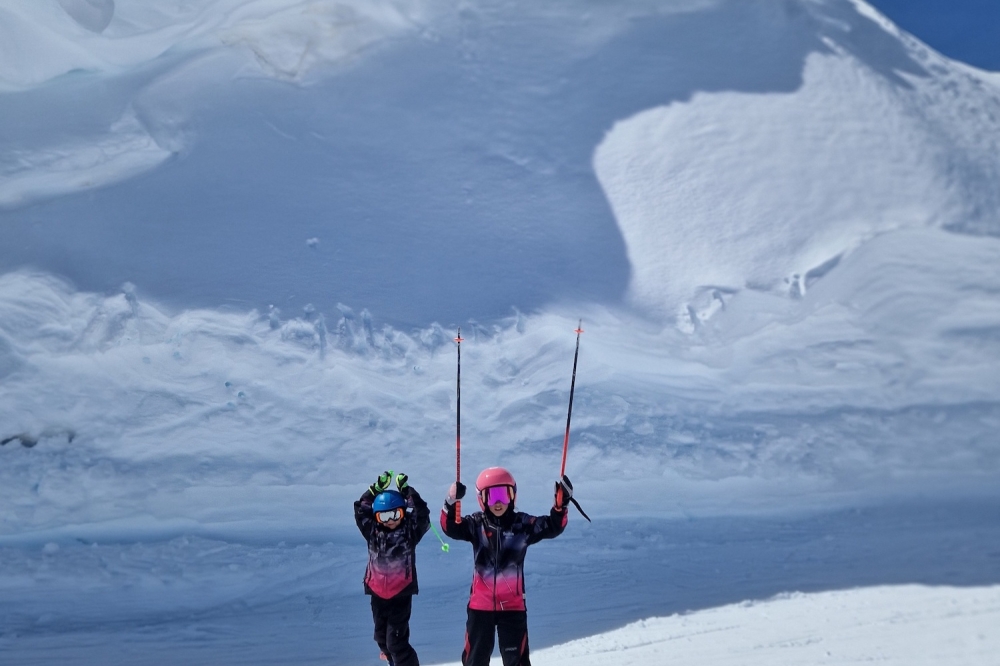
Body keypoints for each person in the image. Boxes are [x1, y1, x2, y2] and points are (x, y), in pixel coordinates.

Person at [442, 466, 574, 666]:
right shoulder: (476, 524)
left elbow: (552, 526)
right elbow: (451, 527)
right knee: (474, 660)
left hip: (512, 607)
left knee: (517, 661)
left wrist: (560, 506)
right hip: (480, 606)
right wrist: (450, 502)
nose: (498, 503)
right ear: (482, 499)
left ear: (513, 496)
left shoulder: (522, 525)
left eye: (503, 495)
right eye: (491, 496)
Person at [355, 471, 431, 666]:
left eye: (395, 514)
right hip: (377, 593)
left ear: (403, 512)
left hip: (400, 594)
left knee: (396, 641)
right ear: (376, 517)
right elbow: (360, 509)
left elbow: (422, 513)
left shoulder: (409, 532)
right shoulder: (372, 531)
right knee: (382, 639)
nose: (390, 520)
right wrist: (375, 489)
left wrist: (406, 491)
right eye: (384, 515)